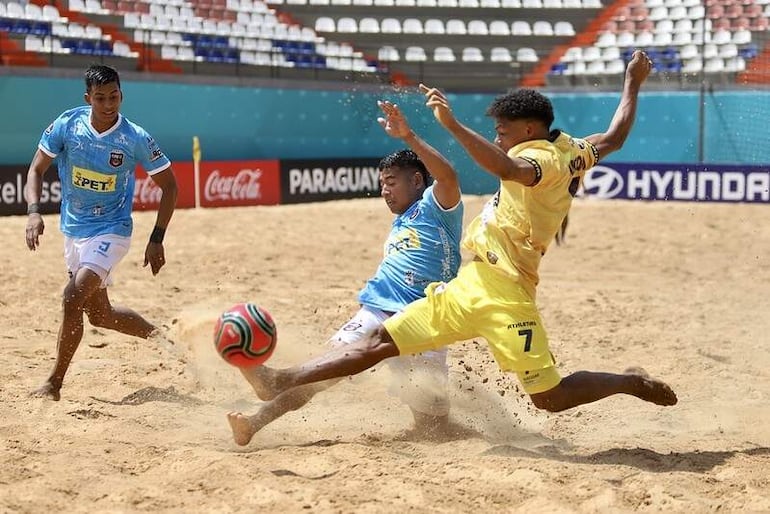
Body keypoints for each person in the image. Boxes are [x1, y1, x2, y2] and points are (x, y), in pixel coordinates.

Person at [238, 50, 678, 420]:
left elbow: (507, 169)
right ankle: (281, 378)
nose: (498, 138)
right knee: (379, 343)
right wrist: (631, 82)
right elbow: (616, 135)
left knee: (550, 399)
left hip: (508, 295)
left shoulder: (545, 159)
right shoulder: (574, 148)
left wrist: (450, 124)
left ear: (528, 130)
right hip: (468, 284)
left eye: (503, 132)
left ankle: (629, 381)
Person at [227, 97, 464, 445]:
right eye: (381, 183)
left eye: (391, 182)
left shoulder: (438, 206)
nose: (384, 191)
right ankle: (254, 422)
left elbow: (448, 174)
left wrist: (409, 136)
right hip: (378, 310)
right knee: (321, 372)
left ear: (416, 180)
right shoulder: (400, 222)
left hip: (426, 320)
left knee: (433, 429)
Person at [25, 64, 178, 401]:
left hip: (113, 229)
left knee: (71, 297)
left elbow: (170, 186)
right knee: (101, 316)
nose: (109, 105)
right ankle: (163, 337)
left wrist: (156, 238)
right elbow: (36, 169)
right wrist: (34, 213)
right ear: (88, 98)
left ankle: (54, 384)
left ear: (121, 95)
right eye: (101, 98)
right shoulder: (67, 125)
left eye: (114, 97)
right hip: (74, 230)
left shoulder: (135, 137)